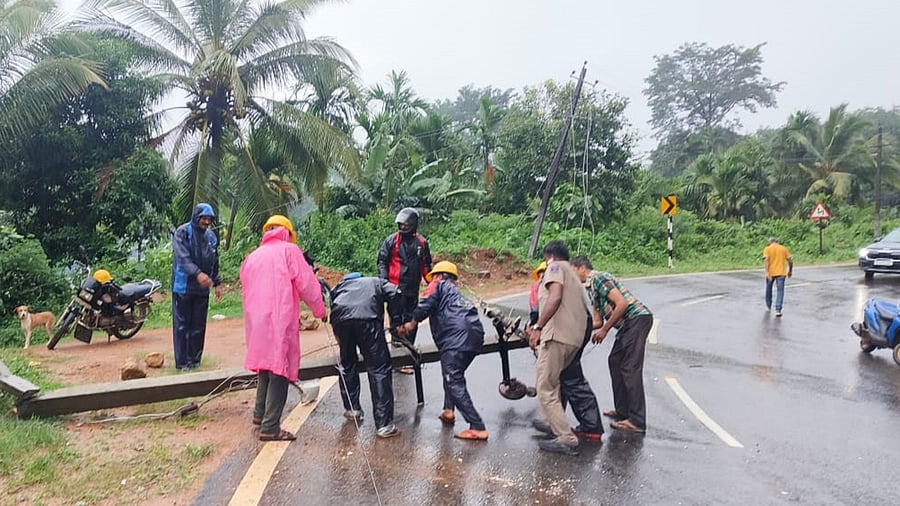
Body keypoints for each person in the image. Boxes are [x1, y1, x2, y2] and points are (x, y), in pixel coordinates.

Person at [240, 215, 326, 442]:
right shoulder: (289, 251)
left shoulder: (252, 257)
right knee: (279, 369)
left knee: (265, 367)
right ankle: (270, 428)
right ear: (288, 233)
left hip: (255, 320)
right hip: (279, 318)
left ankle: (259, 417)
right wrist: (320, 310)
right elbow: (307, 284)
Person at [397, 261, 488, 441]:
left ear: (438, 276)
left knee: (453, 379)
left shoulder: (438, 285)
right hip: (475, 337)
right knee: (452, 374)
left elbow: (426, 304)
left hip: (455, 338)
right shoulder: (457, 293)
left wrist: (411, 323)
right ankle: (448, 410)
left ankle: (477, 426)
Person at [528, 241, 597, 456]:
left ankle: (566, 437)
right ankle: (553, 423)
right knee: (554, 382)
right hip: (573, 339)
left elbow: (555, 297)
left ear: (550, 256)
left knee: (545, 386)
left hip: (557, 336)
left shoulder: (555, 268)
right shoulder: (574, 276)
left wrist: (538, 327)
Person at [572, 256, 653, 434]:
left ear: (581, 268)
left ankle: (637, 420)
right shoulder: (591, 289)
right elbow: (597, 322)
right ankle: (623, 410)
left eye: (572, 271)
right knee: (615, 361)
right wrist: (575, 327)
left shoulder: (598, 278)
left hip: (637, 319)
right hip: (626, 325)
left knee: (630, 368)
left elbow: (622, 304)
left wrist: (605, 331)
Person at [330, 272, 401, 439]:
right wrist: (396, 321)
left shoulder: (339, 287)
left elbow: (332, 305)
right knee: (379, 368)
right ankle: (384, 425)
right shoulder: (375, 282)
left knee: (347, 364)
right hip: (368, 320)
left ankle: (352, 409)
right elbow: (395, 292)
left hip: (341, 321)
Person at [378, 208, 433, 372]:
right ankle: (397, 361)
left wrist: (433, 285)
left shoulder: (421, 243)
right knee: (396, 323)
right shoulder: (391, 241)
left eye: (405, 225)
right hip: (395, 290)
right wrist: (384, 283)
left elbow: (426, 266)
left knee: (412, 322)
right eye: (400, 225)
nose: (402, 227)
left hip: (412, 290)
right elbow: (382, 261)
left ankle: (408, 356)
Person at [172, 203, 223, 371]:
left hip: (202, 288)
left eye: (209, 219)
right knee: (182, 325)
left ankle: (195, 360)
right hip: (184, 287)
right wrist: (197, 274)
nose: (206, 222)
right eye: (204, 218)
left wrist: (216, 282)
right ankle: (182, 362)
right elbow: (183, 258)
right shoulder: (183, 232)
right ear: (196, 217)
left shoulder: (211, 237)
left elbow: (214, 260)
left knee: (198, 325)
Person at [763, 237, 793, 317]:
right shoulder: (783, 249)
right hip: (781, 273)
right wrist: (790, 271)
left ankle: (768, 306)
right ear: (777, 242)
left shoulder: (767, 249)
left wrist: (766, 272)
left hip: (770, 273)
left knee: (768, 289)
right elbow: (790, 261)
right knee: (780, 291)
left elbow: (766, 260)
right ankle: (778, 310)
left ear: (769, 242)